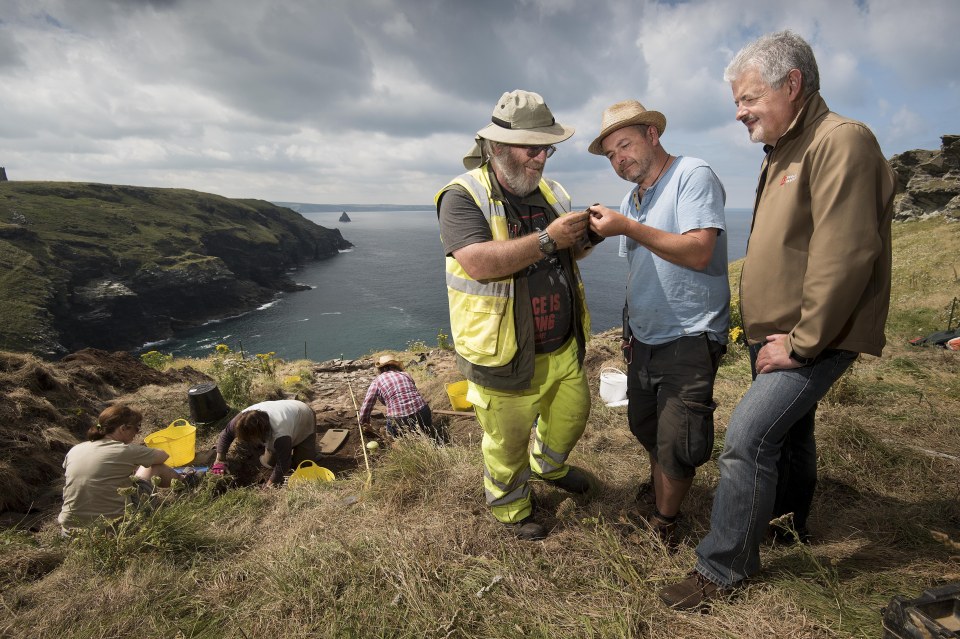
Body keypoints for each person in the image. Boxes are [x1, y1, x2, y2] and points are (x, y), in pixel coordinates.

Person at [660, 30, 895, 610]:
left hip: (812, 334)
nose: (738, 112)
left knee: (747, 436)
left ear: (792, 84)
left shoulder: (841, 141)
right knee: (791, 434)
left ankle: (723, 568)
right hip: (781, 331)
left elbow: (846, 253)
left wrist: (804, 342)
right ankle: (787, 522)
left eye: (747, 98)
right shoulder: (787, 147)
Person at [435, 89, 598, 541]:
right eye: (534, 148)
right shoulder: (461, 197)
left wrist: (588, 237)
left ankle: (548, 466)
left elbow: (568, 256)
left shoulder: (553, 193)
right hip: (503, 354)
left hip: (561, 344)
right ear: (499, 147)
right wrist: (548, 238)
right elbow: (479, 263)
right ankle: (510, 509)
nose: (543, 158)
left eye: (548, 148)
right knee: (506, 446)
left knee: (571, 416)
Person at [586, 99, 729, 545]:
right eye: (611, 154)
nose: (618, 159)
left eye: (624, 145)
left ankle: (666, 525)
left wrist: (627, 226)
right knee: (644, 426)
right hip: (644, 337)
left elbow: (699, 250)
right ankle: (663, 491)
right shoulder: (635, 196)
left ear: (652, 133)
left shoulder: (693, 175)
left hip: (689, 334)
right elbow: (644, 268)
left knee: (678, 439)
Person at [59, 404, 177, 531]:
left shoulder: (75, 449)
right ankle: (185, 481)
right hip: (114, 528)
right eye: (136, 429)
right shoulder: (125, 450)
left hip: (69, 530)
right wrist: (138, 457)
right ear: (123, 429)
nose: (136, 434)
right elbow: (163, 456)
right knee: (155, 467)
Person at [211, 399, 317, 487]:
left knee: (304, 465)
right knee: (269, 462)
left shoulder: (279, 433)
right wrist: (220, 460)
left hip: (303, 416)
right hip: (285, 413)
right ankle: (284, 451)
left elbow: (283, 463)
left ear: (262, 433)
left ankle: (304, 450)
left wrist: (270, 483)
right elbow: (226, 434)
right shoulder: (241, 420)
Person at [358, 354, 440, 442]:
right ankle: (427, 438)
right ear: (396, 366)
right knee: (424, 432)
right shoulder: (406, 375)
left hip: (399, 419)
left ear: (380, 369)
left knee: (394, 439)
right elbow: (413, 392)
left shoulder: (377, 381)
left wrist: (364, 423)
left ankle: (398, 443)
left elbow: (367, 405)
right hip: (424, 412)